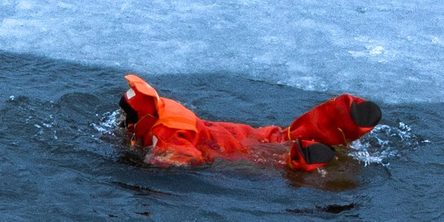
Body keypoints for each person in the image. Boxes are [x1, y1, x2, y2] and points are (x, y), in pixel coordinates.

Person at [115, 74, 383, 169]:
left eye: (126, 116)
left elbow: (186, 156)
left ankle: (300, 158)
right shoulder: (166, 107)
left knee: (265, 159)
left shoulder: (162, 132)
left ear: (141, 116)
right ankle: (341, 116)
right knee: (275, 136)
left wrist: (153, 162)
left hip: (219, 147)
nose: (122, 120)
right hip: (226, 130)